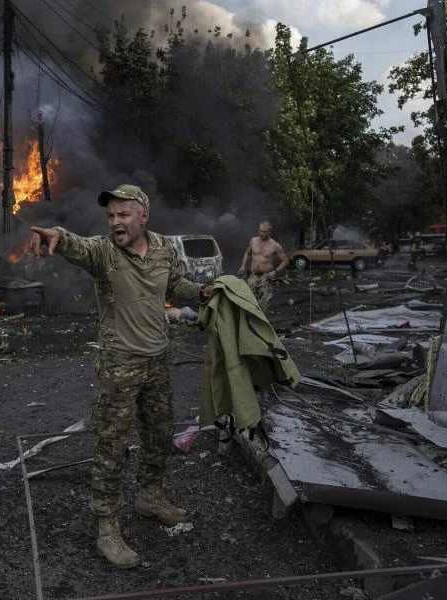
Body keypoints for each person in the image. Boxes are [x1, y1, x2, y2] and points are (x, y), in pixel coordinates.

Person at [29, 184, 211, 569]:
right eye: (111, 216)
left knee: (159, 434)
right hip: (119, 364)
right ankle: (106, 526)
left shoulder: (163, 247)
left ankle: (150, 496)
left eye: (123, 214)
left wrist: (204, 292)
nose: (115, 222)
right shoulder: (103, 252)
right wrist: (55, 237)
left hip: (157, 361)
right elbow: (74, 244)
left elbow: (175, 286)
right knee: (112, 446)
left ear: (143, 214)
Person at [237, 221, 289, 310]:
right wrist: (243, 266)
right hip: (253, 275)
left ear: (269, 232)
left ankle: (261, 321)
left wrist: (275, 272)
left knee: (263, 304)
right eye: (260, 231)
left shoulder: (275, 245)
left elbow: (285, 261)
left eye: (264, 232)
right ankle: (250, 321)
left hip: (266, 277)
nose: (261, 233)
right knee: (249, 300)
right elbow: (247, 253)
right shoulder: (253, 241)